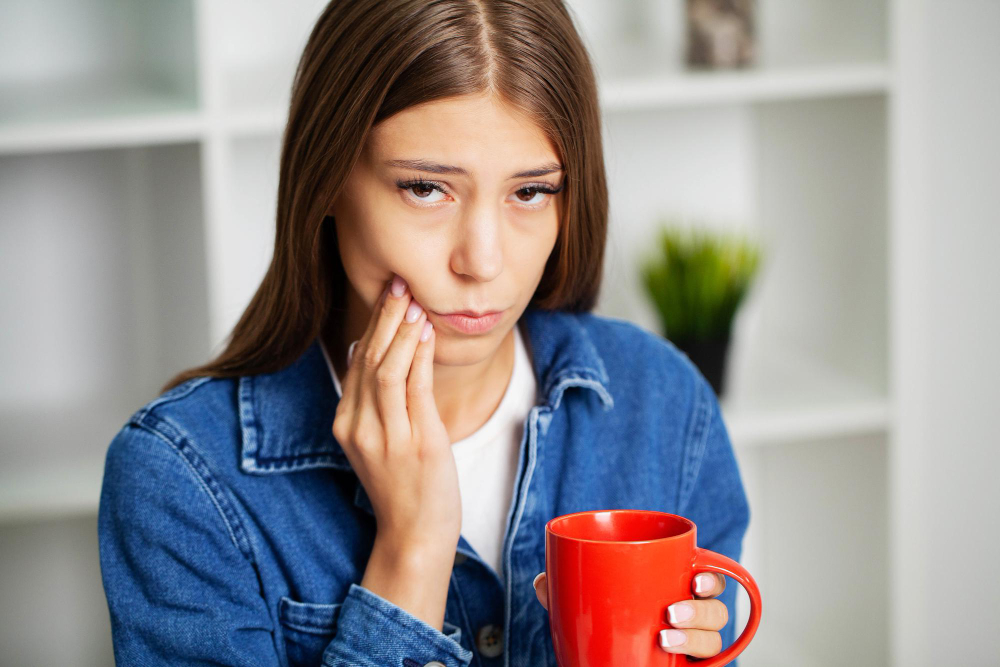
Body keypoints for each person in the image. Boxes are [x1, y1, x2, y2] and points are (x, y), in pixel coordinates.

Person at [97, 1, 751, 665]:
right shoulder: (181, 477)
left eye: (530, 193)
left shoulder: (666, 405)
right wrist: (412, 550)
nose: (484, 260)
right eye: (425, 188)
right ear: (326, 178)